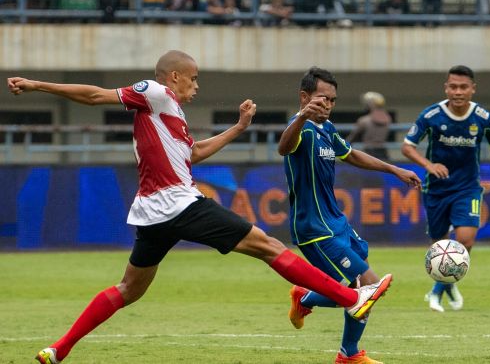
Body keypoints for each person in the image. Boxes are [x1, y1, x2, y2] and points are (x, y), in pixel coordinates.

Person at [7, 50, 392, 364]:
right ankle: (351, 297)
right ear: (173, 76)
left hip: (152, 213)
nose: (196, 85)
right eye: (193, 78)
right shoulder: (155, 93)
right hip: (180, 203)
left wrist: (239, 128)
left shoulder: (169, 112)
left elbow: (194, 154)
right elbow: (95, 96)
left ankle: (59, 349)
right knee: (268, 246)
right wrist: (39, 84)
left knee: (129, 289)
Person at [278, 67, 421, 364]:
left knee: (362, 287)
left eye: (332, 99)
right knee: (368, 285)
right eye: (322, 98)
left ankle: (307, 300)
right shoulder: (301, 127)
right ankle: (349, 354)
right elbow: (283, 147)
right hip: (314, 228)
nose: (328, 104)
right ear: (304, 97)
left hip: (336, 222)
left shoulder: (327, 129)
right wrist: (303, 115)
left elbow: (353, 155)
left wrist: (394, 169)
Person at [401, 65, 490, 313]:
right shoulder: (432, 116)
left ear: (473, 89)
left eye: (463, 87)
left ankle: (436, 291)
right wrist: (428, 164)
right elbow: (407, 146)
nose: (458, 91)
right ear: (446, 88)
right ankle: (449, 284)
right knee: (440, 247)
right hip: (436, 190)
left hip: (468, 188)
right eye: (453, 86)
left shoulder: (484, 119)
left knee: (465, 240)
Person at [346, 91, 392, 161]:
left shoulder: (364, 120)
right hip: (383, 152)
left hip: (368, 153)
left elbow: (352, 138)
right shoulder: (388, 118)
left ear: (369, 104)